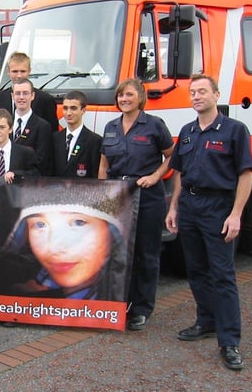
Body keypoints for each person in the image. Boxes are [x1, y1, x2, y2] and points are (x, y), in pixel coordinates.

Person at [165, 74, 252, 371]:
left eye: (202, 91)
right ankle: (206, 321)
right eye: (192, 92)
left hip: (218, 207)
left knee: (222, 275)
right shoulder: (187, 132)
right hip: (189, 206)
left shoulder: (234, 130)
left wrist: (236, 214)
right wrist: (174, 207)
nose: (196, 96)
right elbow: (179, 171)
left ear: (216, 95)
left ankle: (229, 341)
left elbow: (245, 174)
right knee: (197, 270)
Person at [98, 78, 174, 331]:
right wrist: (102, 191)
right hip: (119, 196)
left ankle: (142, 308)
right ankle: (122, 305)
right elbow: (103, 164)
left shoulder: (154, 125)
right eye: (121, 96)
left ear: (140, 98)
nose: (124, 99)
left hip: (147, 196)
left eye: (129, 95)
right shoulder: (110, 127)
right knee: (119, 252)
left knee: (145, 253)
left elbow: (172, 156)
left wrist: (155, 176)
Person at [5, 180, 132, 301]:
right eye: (40, 225)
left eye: (79, 222)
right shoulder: (41, 278)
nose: (54, 247)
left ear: (111, 232)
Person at [0, 51, 58, 132]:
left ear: (29, 71)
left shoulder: (45, 99)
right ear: (8, 71)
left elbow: (52, 132)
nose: (19, 75)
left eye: (23, 71)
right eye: (15, 71)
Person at [0, 108, 39, 183]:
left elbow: (35, 175)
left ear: (10, 129)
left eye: (2, 127)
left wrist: (16, 174)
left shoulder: (26, 153)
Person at [51, 90, 102, 178]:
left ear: (83, 110)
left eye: (73, 108)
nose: (68, 113)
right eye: (65, 108)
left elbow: (95, 174)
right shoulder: (55, 138)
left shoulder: (94, 141)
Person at [9, 78, 51, 175]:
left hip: (29, 182)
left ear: (32, 96)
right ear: (12, 96)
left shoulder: (43, 126)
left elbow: (41, 161)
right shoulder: (5, 123)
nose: (21, 97)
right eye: (18, 93)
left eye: (25, 93)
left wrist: (18, 173)